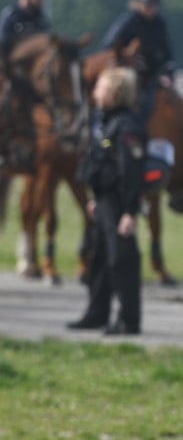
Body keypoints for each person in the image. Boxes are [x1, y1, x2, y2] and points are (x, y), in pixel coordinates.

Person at [68, 68, 145, 335]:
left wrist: (129, 212)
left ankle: (129, 320)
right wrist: (94, 199)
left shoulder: (127, 125)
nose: (95, 93)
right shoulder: (104, 121)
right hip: (102, 200)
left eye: (100, 88)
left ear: (113, 94)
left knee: (121, 259)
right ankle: (97, 313)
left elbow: (131, 172)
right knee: (99, 257)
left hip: (119, 202)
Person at [101, 0, 175, 126]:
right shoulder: (126, 23)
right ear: (137, 4)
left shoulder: (160, 24)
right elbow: (108, 47)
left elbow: (167, 53)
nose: (151, 8)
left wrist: (168, 72)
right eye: (148, 4)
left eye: (154, 5)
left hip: (151, 76)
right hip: (126, 75)